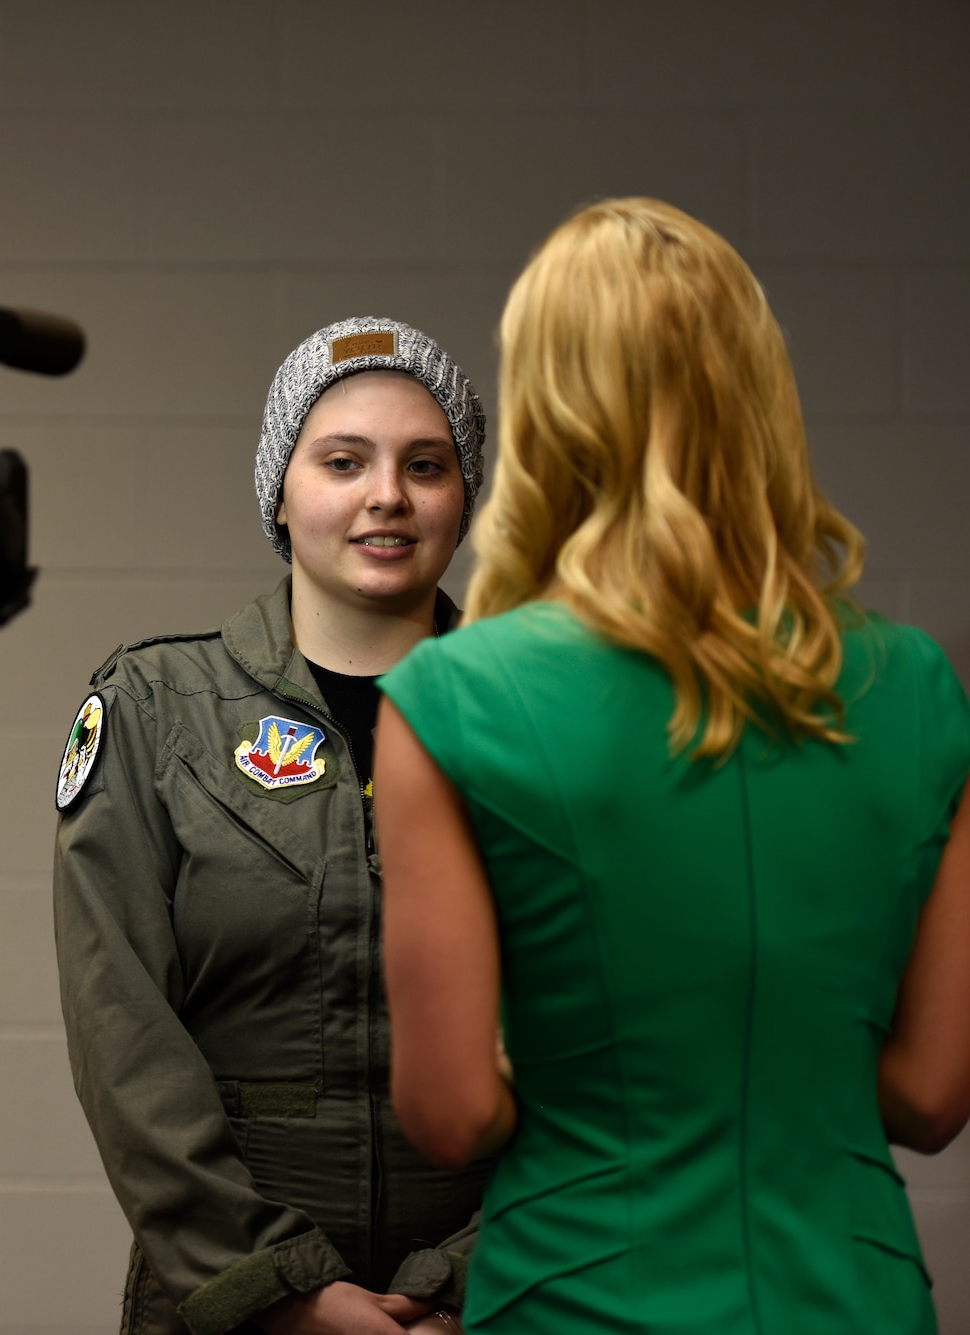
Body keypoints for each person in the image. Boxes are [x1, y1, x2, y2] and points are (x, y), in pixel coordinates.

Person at [375, 197, 970, 1332]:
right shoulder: (921, 692)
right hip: (850, 1298)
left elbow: (448, 1115)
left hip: (582, 1293)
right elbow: (934, 1096)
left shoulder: (457, 696)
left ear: (548, 404)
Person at [54, 317, 493, 1335]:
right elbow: (119, 1027)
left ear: (460, 494)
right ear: (280, 491)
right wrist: (274, 1287)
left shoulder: (543, 722)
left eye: (423, 465)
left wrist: (472, 1281)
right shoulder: (156, 709)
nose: (385, 494)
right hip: (225, 1303)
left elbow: (603, 1050)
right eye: (342, 461)